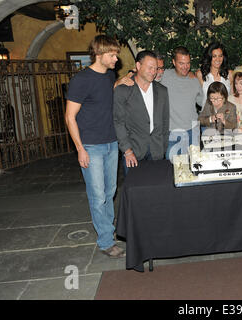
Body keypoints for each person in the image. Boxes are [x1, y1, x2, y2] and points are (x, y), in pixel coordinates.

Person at [65, 35, 125, 258]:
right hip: (91, 146)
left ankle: (108, 231)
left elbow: (104, 100)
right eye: (112, 55)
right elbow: (70, 117)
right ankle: (106, 241)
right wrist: (80, 149)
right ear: (99, 54)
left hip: (111, 143)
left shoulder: (109, 76)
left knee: (110, 192)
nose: (116, 59)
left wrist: (121, 81)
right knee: (98, 194)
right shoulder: (81, 80)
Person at [113, 50, 170, 176]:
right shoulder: (123, 90)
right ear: (138, 66)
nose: (153, 72)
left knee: (155, 189)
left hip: (157, 151)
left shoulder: (162, 91)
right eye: (150, 68)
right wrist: (127, 151)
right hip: (133, 152)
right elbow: (118, 122)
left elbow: (165, 122)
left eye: (156, 68)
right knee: (135, 191)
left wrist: (163, 147)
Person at [160, 46, 204, 160]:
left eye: (188, 63)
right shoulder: (164, 76)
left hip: (193, 131)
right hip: (173, 132)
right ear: (174, 62)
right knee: (174, 167)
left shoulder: (194, 80)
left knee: (194, 166)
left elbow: (203, 103)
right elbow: (144, 74)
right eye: (181, 63)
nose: (185, 67)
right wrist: (131, 74)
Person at [196, 43, 232, 107]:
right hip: (206, 114)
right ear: (209, 57)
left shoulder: (230, 74)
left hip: (225, 114)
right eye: (214, 56)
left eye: (220, 56)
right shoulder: (200, 74)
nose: (218, 59)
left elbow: (234, 98)